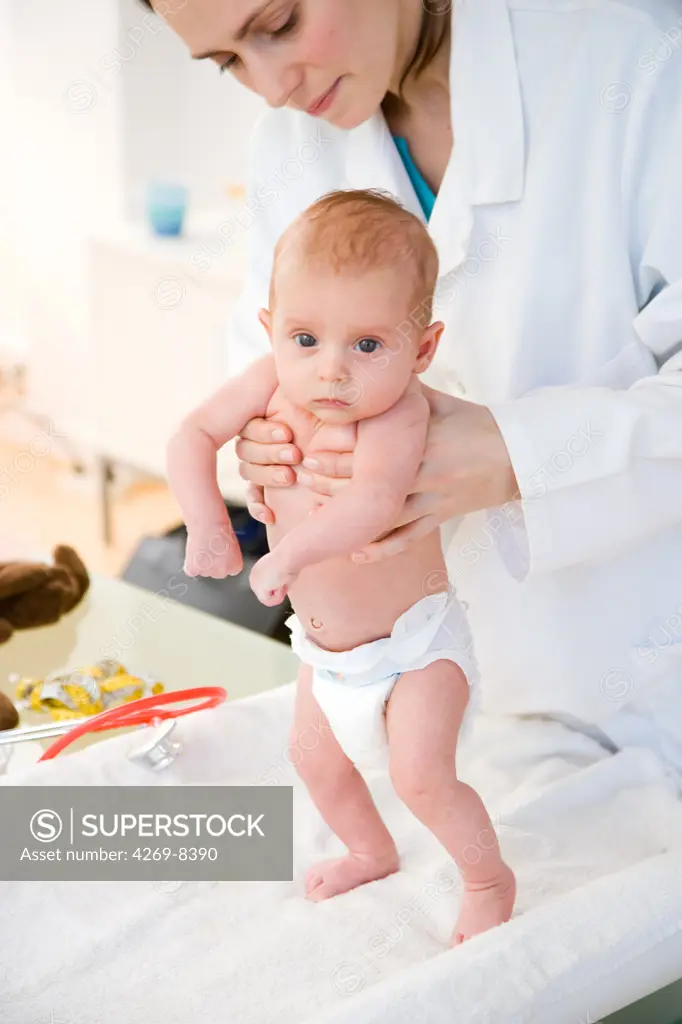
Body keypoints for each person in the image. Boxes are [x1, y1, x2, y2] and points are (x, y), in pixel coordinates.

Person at [147, 0, 682, 779]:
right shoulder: (291, 141)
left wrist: (522, 454)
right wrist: (263, 447)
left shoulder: (638, 66)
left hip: (630, 699)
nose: (269, 86)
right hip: (397, 676)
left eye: (279, 24)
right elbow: (260, 356)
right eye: (229, 61)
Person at [166, 189, 516, 943]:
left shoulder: (400, 412)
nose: (331, 371)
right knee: (312, 758)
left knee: (423, 776)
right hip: (326, 653)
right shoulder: (270, 380)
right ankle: (369, 848)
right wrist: (206, 523)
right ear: (271, 330)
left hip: (416, 647)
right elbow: (192, 434)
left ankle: (487, 877)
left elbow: (373, 503)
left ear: (421, 351)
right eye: (304, 339)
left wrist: (285, 553)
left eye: (367, 346)